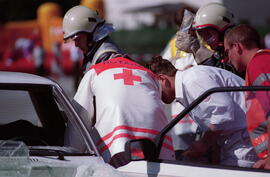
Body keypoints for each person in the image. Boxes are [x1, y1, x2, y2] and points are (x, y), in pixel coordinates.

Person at [146, 56, 259, 167]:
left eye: (153, 88)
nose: (155, 96)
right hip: (239, 140)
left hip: (245, 139)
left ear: (163, 79)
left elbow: (222, 113)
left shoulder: (193, 80)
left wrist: (203, 143)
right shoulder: (189, 81)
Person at [65, 57, 175, 168]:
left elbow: (78, 118)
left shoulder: (95, 71)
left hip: (118, 131)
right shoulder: (148, 73)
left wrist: (71, 157)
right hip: (155, 132)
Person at [224, 24, 270, 169]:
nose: (226, 59)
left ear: (237, 47)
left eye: (227, 52)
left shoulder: (259, 63)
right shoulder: (259, 63)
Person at [175, 2, 244, 78]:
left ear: (221, 28)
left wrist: (198, 50)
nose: (206, 39)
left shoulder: (239, 46)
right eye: (202, 35)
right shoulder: (221, 51)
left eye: (208, 34)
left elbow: (228, 77)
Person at [62, 5, 126, 80]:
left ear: (90, 34)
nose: (76, 45)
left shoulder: (106, 57)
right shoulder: (93, 51)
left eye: (78, 39)